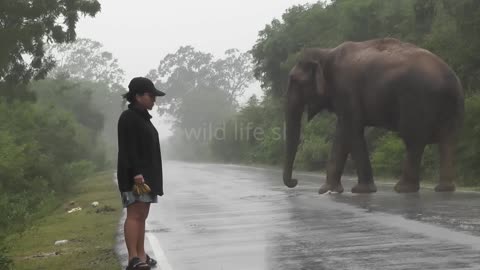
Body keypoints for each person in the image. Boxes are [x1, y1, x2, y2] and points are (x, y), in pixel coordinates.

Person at [117, 77, 165, 270]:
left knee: (142, 215)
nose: (154, 99)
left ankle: (141, 255)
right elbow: (128, 148)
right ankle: (133, 258)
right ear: (137, 96)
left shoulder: (143, 118)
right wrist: (136, 173)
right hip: (135, 177)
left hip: (146, 177)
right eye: (150, 95)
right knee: (135, 214)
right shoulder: (128, 118)